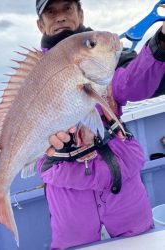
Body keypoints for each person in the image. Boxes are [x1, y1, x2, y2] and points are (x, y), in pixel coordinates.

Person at [35, 0, 165, 249]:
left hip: (122, 184)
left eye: (67, 8)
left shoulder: (106, 54)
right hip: (68, 193)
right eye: (51, 12)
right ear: (40, 25)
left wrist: (162, 43)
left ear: (80, 13)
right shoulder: (33, 74)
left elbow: (132, 83)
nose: (60, 16)